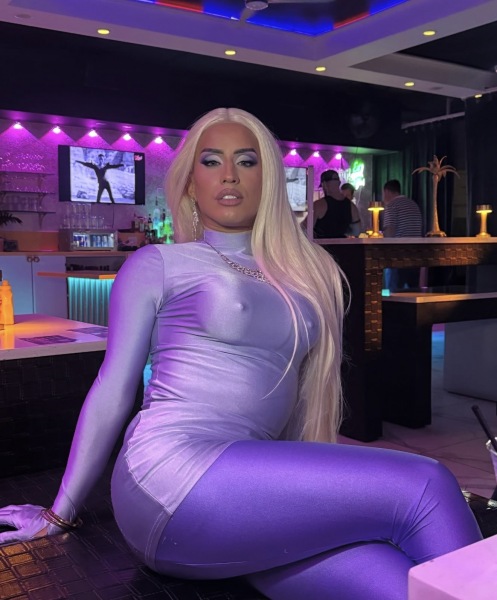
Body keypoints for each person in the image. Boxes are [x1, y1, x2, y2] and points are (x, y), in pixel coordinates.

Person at [0, 108, 481, 600]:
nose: (229, 174)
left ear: (268, 179)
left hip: (246, 490)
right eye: (211, 161)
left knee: (399, 582)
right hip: (168, 475)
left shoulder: (307, 273)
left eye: (246, 161)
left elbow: (301, 402)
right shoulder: (159, 264)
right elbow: (113, 388)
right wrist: (61, 510)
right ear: (191, 182)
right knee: (424, 486)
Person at [382, 179, 423, 291]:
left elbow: (390, 232)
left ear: (387, 191)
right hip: (416, 254)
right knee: (412, 291)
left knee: (393, 292)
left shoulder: (392, 205)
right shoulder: (413, 204)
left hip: (398, 254)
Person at [313, 170, 361, 238]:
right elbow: (356, 231)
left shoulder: (319, 205)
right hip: (342, 244)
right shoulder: (351, 206)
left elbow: (305, 229)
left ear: (324, 184)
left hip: (321, 244)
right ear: (339, 183)